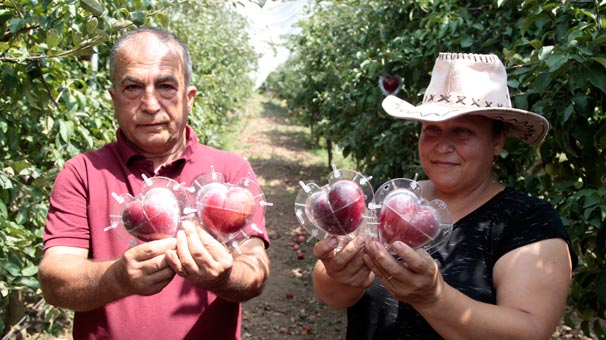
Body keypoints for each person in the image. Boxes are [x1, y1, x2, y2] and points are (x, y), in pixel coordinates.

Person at [312, 52, 577, 340]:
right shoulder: (393, 199)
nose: (442, 146)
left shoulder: (528, 222)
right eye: (432, 130)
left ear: (497, 141)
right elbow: (332, 294)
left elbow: (530, 331)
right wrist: (342, 275)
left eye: (462, 132)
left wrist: (434, 299)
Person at [38, 27, 270, 340]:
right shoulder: (83, 173)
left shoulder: (230, 172)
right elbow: (54, 280)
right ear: (114, 98)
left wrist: (224, 276)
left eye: (166, 86)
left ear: (189, 98)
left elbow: (256, 271)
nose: (150, 104)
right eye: (133, 87)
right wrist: (117, 278)